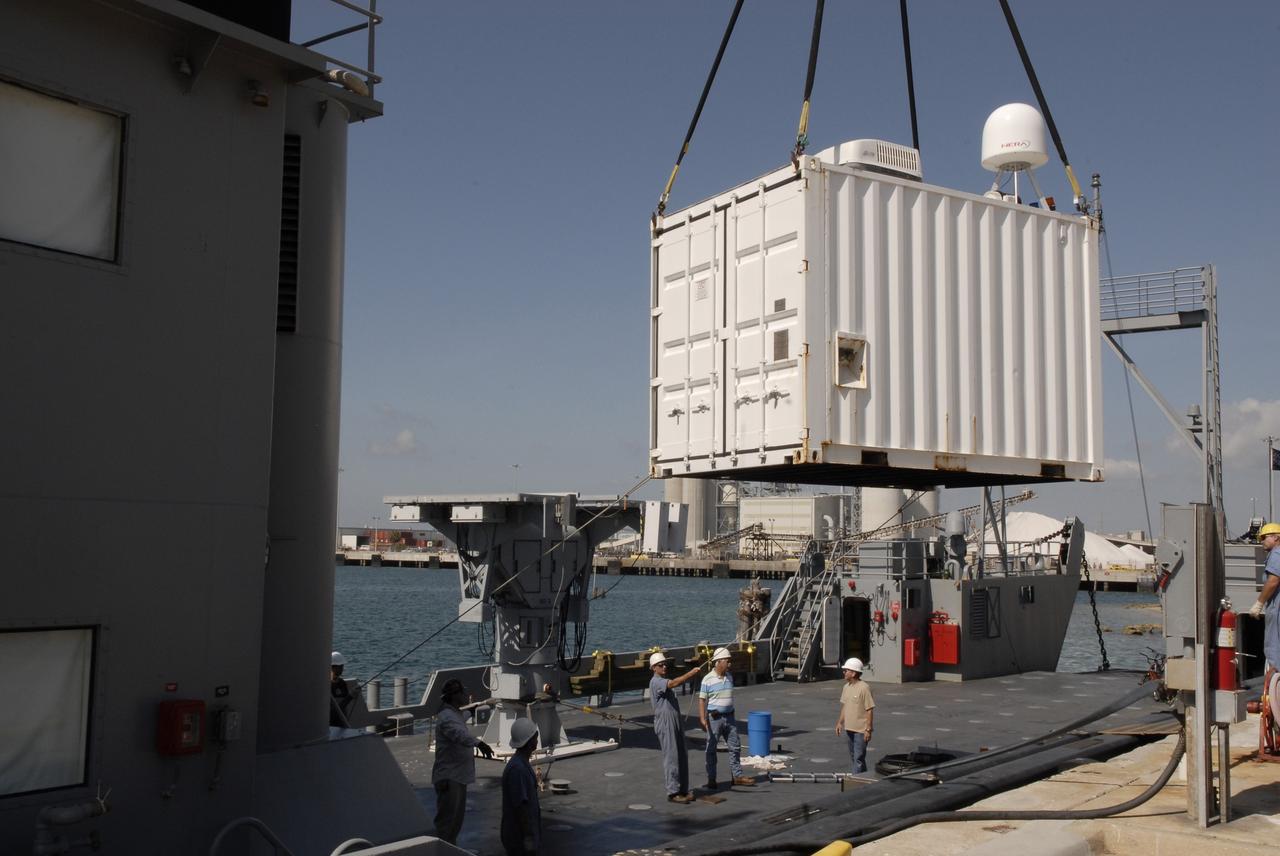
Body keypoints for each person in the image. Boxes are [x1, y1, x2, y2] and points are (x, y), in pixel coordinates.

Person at [431, 678, 494, 845]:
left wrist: (471, 711)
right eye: (462, 692)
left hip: (457, 777)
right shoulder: (447, 718)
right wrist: (479, 743)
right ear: (454, 696)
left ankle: (448, 850)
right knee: (447, 823)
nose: (466, 695)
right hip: (450, 778)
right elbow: (459, 734)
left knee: (454, 824)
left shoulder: (454, 714)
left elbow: (460, 718)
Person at [649, 649, 703, 803]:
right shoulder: (656, 681)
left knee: (681, 755)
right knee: (671, 756)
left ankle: (683, 789)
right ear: (654, 668)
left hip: (675, 720)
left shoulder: (662, 680)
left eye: (664, 664)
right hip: (665, 722)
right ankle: (673, 792)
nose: (664, 667)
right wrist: (690, 674)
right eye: (660, 665)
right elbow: (673, 683)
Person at [698, 647, 755, 790]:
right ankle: (712, 779)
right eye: (727, 661)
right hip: (714, 718)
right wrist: (702, 718)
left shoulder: (729, 677)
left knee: (735, 746)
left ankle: (737, 776)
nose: (730, 664)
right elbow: (702, 700)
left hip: (730, 717)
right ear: (718, 662)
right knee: (711, 749)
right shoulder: (707, 679)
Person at [501, 718, 542, 856]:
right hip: (518, 836)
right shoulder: (518, 769)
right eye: (535, 738)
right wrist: (529, 836)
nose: (537, 741)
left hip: (519, 834)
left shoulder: (521, 764)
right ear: (529, 741)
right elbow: (521, 806)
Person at [834, 657, 874, 774]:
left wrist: (868, 729)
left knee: (858, 758)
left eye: (846, 670)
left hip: (861, 731)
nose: (844, 672)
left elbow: (869, 710)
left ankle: (855, 784)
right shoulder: (846, 687)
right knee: (855, 757)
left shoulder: (864, 688)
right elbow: (845, 707)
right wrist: (839, 723)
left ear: (854, 673)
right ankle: (865, 777)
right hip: (849, 729)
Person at [1251, 523, 1280, 671]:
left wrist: (1259, 603)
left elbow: (1273, 581)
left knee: (1274, 648)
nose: (1261, 541)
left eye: (1264, 537)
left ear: (1276, 537)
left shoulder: (1277, 554)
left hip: (1277, 609)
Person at [330, 651, 356, 728]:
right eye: (340, 666)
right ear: (332, 667)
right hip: (331, 725)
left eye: (342, 666)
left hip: (342, 723)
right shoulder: (326, 686)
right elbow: (334, 709)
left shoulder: (342, 683)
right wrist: (350, 696)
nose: (342, 669)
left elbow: (344, 705)